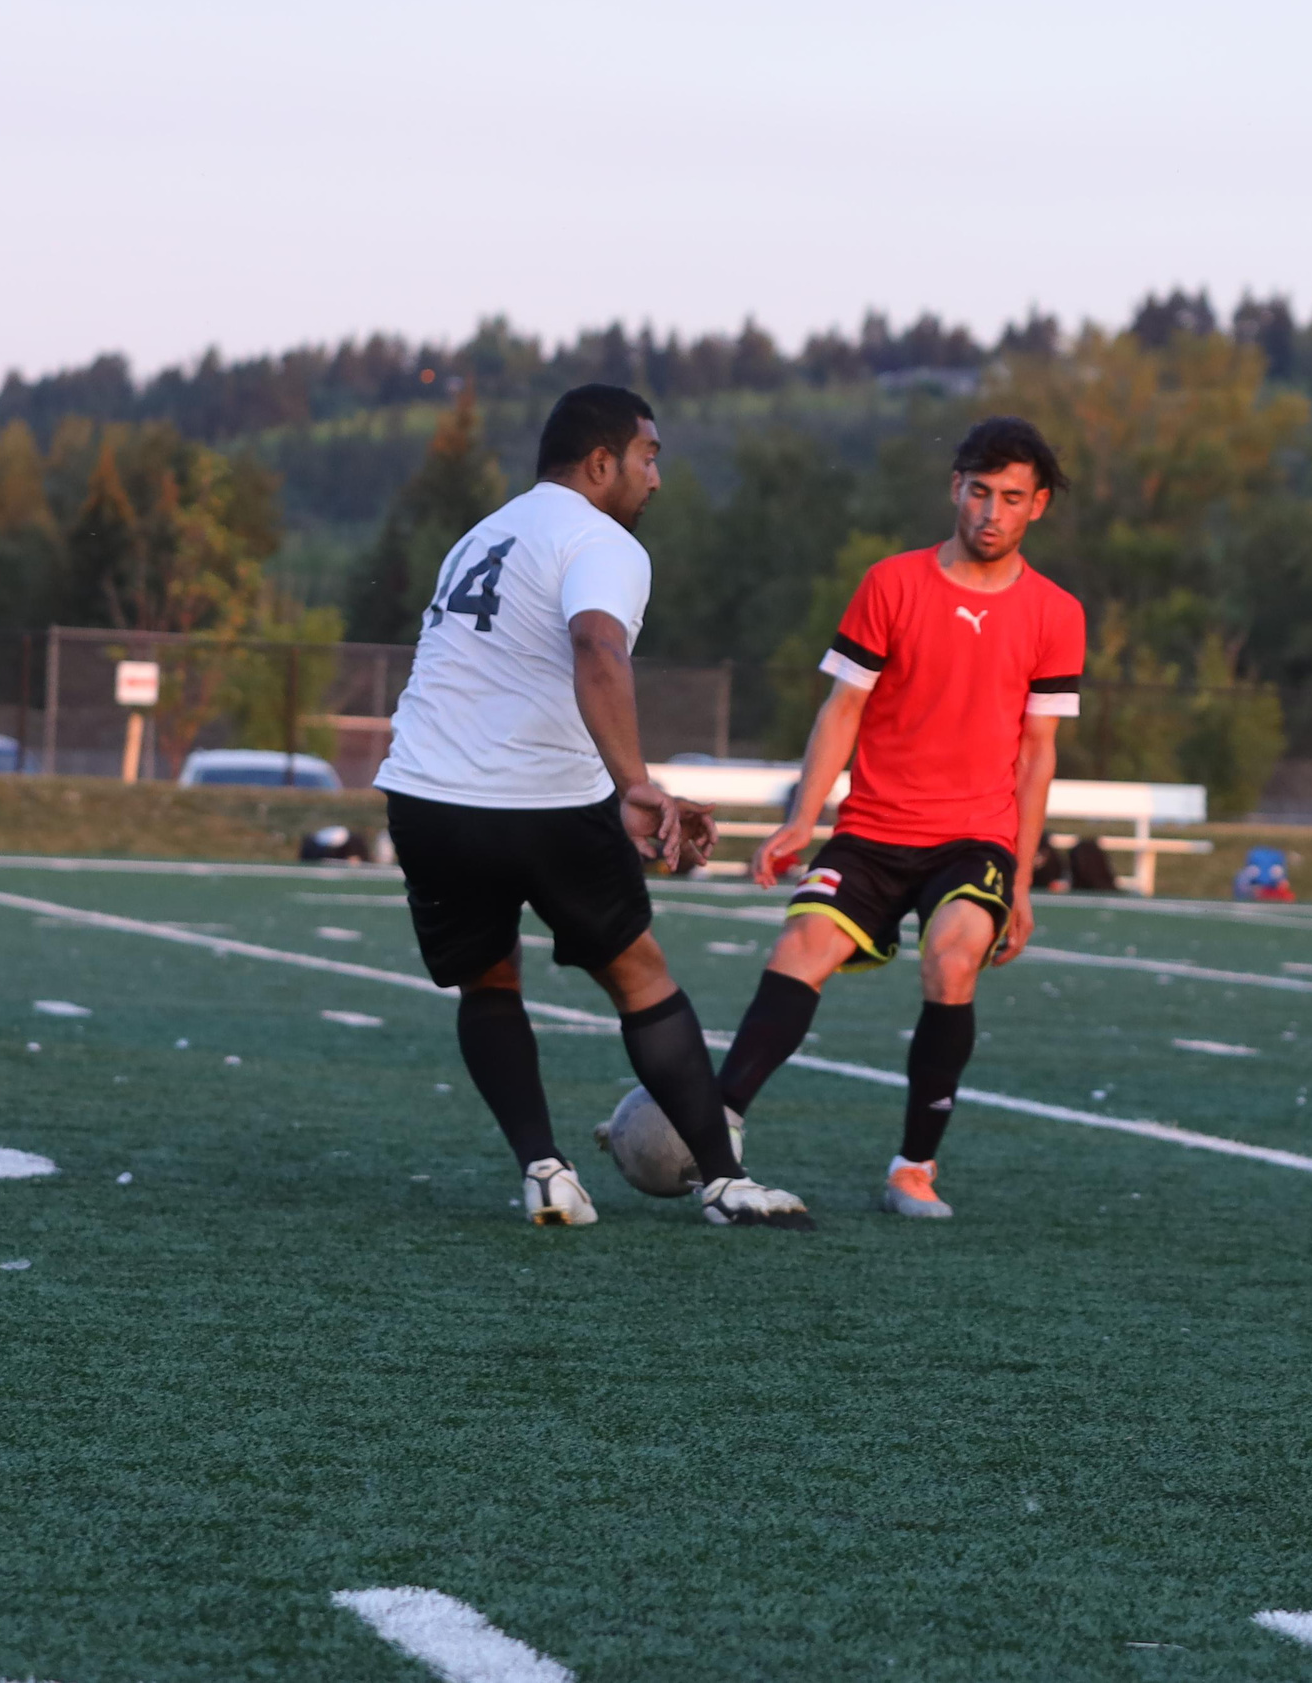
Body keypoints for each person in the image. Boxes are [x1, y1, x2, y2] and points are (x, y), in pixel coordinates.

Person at [374, 383, 813, 1227]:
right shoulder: (600, 537)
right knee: (639, 974)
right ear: (600, 462)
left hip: (424, 796)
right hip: (537, 799)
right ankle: (725, 1182)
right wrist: (634, 782)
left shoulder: (482, 533)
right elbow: (597, 645)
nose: (657, 479)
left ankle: (546, 1169)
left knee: (488, 981)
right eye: (649, 458)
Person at [713, 417, 1085, 1219]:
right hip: (875, 826)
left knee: (953, 960)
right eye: (979, 491)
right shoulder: (891, 583)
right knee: (802, 944)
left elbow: (1037, 754)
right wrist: (802, 818)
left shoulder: (1057, 613)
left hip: (974, 836)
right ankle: (716, 1127)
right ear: (956, 486)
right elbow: (843, 708)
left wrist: (1020, 881)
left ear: (1038, 506)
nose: (991, 511)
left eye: (1011, 498)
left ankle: (913, 1167)